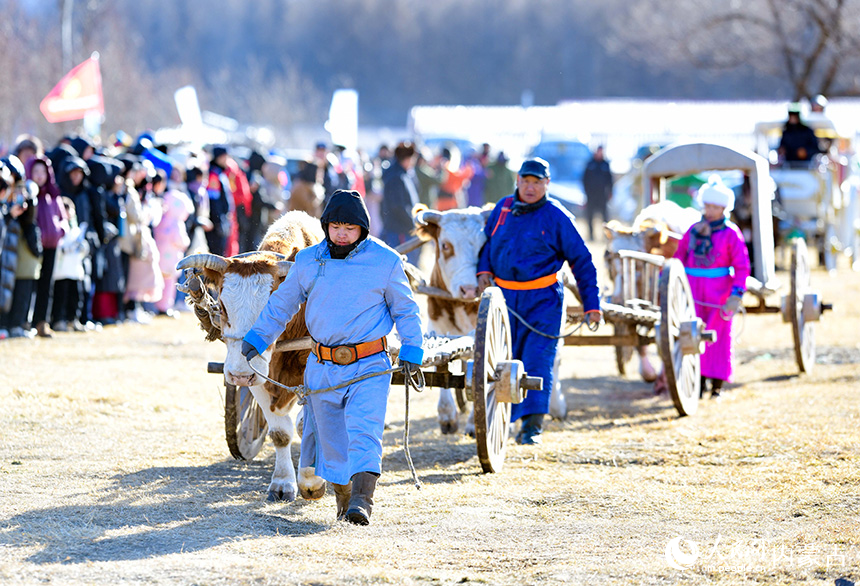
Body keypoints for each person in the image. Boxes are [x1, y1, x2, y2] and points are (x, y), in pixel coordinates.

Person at [240, 189, 424, 525]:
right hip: (322, 366)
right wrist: (257, 337)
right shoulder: (309, 261)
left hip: (369, 364)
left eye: (350, 228)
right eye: (335, 226)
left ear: (363, 229)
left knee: (364, 431)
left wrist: (413, 347)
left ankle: (362, 502)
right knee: (332, 440)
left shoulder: (385, 261)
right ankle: (344, 501)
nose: (341, 233)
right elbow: (282, 304)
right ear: (326, 226)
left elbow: (406, 309)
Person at [477, 158, 602, 445]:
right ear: (517, 181)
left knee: (536, 359)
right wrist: (484, 270)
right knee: (498, 360)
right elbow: (486, 245)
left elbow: (582, 260)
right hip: (503, 299)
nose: (530, 188)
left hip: (543, 300)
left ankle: (532, 427)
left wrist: (591, 304)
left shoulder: (557, 216)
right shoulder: (503, 209)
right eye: (526, 181)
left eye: (537, 182)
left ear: (547, 184)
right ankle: (496, 420)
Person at [673, 176, 751, 398]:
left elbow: (742, 266)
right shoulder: (693, 231)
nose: (711, 210)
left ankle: (716, 385)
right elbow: (679, 257)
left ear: (725, 208)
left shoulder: (730, 233)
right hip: (692, 291)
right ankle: (697, 383)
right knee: (692, 334)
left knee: (718, 337)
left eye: (716, 206)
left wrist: (736, 293)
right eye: (707, 205)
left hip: (719, 293)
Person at [380, 142, 420, 264]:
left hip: (402, 229)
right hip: (399, 231)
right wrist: (413, 223)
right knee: (404, 267)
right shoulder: (396, 177)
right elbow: (398, 207)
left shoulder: (402, 174)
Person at [582, 145, 613, 241]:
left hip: (602, 195)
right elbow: (584, 179)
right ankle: (591, 236)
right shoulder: (590, 164)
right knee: (590, 216)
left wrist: (610, 192)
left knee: (604, 217)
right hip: (591, 195)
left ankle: (606, 235)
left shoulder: (605, 164)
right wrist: (586, 192)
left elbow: (610, 180)